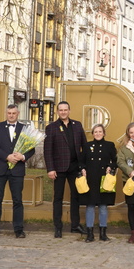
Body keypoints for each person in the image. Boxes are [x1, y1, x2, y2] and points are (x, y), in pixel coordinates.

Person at [0, 104, 34, 239]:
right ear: (6, 113)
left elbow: (31, 148)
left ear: (18, 113)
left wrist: (23, 157)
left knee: (17, 200)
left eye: (13, 113)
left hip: (17, 170)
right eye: (9, 113)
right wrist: (7, 156)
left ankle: (18, 229)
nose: (11, 115)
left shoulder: (24, 128)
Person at [44, 100, 86, 237]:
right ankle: (58, 227)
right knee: (58, 198)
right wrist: (50, 168)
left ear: (69, 111)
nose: (63, 112)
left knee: (76, 197)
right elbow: (47, 150)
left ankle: (75, 225)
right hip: (59, 168)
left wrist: (83, 166)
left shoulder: (77, 125)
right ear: (57, 112)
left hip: (75, 167)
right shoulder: (51, 127)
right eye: (60, 110)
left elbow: (84, 148)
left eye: (65, 110)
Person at [78, 123, 117, 242]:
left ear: (104, 133)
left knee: (103, 206)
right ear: (92, 134)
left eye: (100, 131)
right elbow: (81, 161)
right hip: (90, 179)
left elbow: (115, 161)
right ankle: (90, 234)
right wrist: (82, 168)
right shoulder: (87, 145)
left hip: (104, 180)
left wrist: (110, 167)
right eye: (95, 132)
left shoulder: (110, 145)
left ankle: (103, 233)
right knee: (89, 206)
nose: (98, 134)